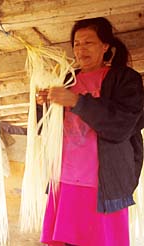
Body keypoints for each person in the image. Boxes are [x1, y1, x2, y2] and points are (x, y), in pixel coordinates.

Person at [37, 17, 144, 246]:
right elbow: (47, 129)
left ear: (105, 46)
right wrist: (43, 104)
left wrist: (77, 102)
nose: (80, 49)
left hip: (102, 186)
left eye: (88, 43)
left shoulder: (125, 79)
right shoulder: (66, 80)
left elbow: (122, 126)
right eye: (76, 44)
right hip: (65, 180)